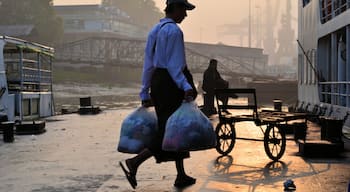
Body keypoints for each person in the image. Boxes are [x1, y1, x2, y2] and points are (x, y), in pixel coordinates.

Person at [119, 0, 197, 189]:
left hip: (158, 82)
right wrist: (185, 86)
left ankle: (181, 174)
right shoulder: (175, 31)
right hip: (171, 83)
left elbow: (149, 64)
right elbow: (175, 65)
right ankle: (135, 162)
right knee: (170, 130)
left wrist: (145, 90)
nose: (185, 15)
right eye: (184, 10)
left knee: (174, 128)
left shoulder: (155, 30)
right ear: (176, 8)